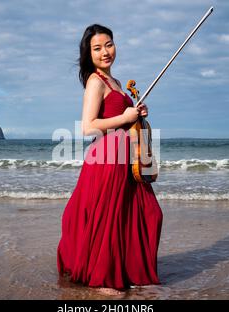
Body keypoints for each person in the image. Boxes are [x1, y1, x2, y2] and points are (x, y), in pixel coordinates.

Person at [57, 24, 163, 296]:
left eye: (109, 44)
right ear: (88, 54)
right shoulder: (95, 81)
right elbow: (88, 127)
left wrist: (136, 114)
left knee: (148, 214)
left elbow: (121, 119)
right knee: (109, 219)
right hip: (106, 158)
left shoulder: (115, 82)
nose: (105, 51)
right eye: (97, 48)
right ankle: (102, 278)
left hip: (125, 159)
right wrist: (125, 117)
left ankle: (126, 271)